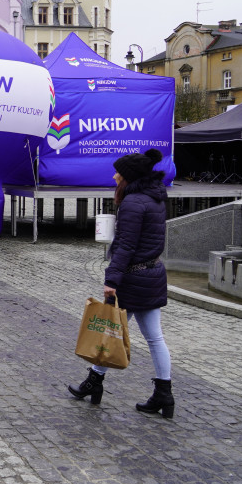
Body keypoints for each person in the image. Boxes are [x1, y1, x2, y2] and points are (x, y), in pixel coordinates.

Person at [68, 148, 175, 418]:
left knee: (110, 333)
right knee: (154, 338)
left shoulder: (132, 203)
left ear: (129, 177)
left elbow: (125, 245)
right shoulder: (155, 199)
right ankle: (164, 394)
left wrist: (111, 279)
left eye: (119, 172)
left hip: (133, 278)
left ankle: (94, 383)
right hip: (152, 274)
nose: (115, 176)